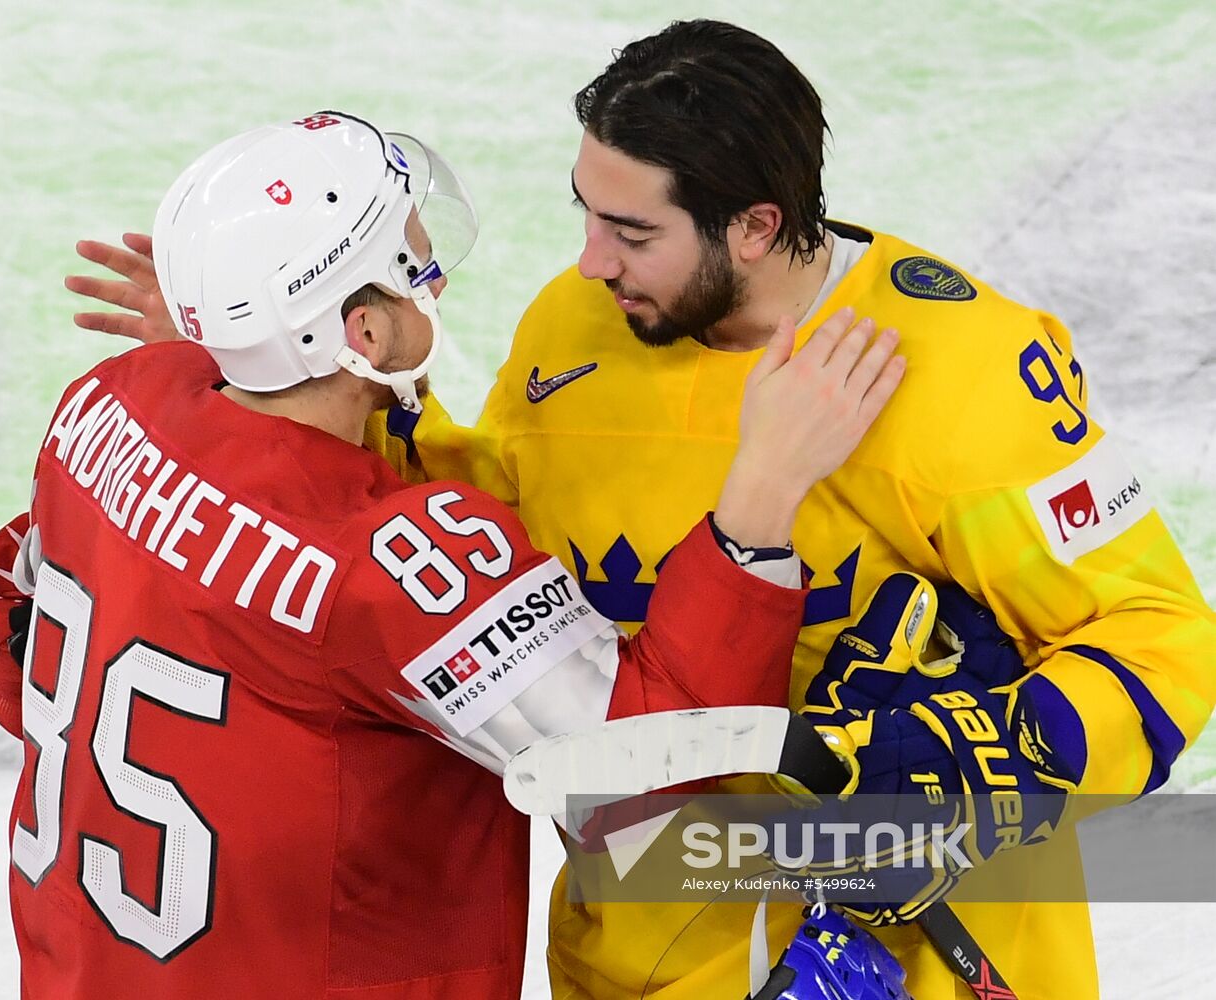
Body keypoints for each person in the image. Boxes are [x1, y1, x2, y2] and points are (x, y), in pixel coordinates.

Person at [64, 22, 1216, 998]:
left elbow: (1165, 646)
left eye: (631, 233)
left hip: (906, 960)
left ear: (755, 227)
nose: (588, 261)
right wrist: (265, 357)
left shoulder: (959, 369)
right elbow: (473, 531)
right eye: (585, 213)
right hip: (632, 946)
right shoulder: (577, 327)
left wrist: (947, 764)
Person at [0, 111, 904, 999]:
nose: (436, 282)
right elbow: (641, 773)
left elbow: (22, 622)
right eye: (412, 263)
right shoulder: (388, 562)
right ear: (362, 334)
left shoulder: (107, 399)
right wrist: (761, 496)